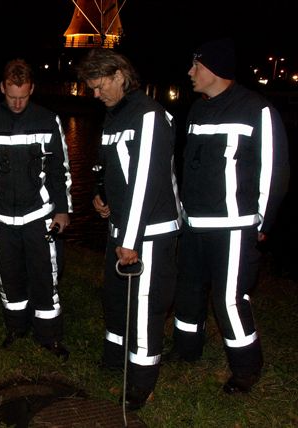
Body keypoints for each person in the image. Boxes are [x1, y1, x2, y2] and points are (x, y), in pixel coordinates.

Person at [168, 38, 290, 394]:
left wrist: (264, 222)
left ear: (215, 70)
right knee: (188, 291)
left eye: (196, 67)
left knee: (228, 299)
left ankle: (246, 369)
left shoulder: (257, 109)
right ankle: (186, 350)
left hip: (234, 228)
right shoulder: (197, 110)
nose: (190, 73)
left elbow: (274, 168)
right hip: (194, 226)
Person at [75, 49, 182, 410]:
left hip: (147, 233)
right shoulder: (113, 116)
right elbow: (112, 171)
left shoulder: (149, 115)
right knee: (116, 299)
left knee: (145, 309)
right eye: (90, 88)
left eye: (99, 85)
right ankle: (114, 359)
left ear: (120, 75)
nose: (95, 94)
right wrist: (100, 197)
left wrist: (130, 240)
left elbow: (145, 182)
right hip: (122, 230)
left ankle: (140, 384)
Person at [0, 59, 73, 361]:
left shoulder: (49, 120)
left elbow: (60, 171)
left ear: (32, 89)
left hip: (40, 217)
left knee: (45, 276)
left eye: (23, 96)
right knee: (7, 277)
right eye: (12, 96)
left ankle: (48, 337)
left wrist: (63, 210)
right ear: (2, 88)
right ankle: (15, 329)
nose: (18, 102)